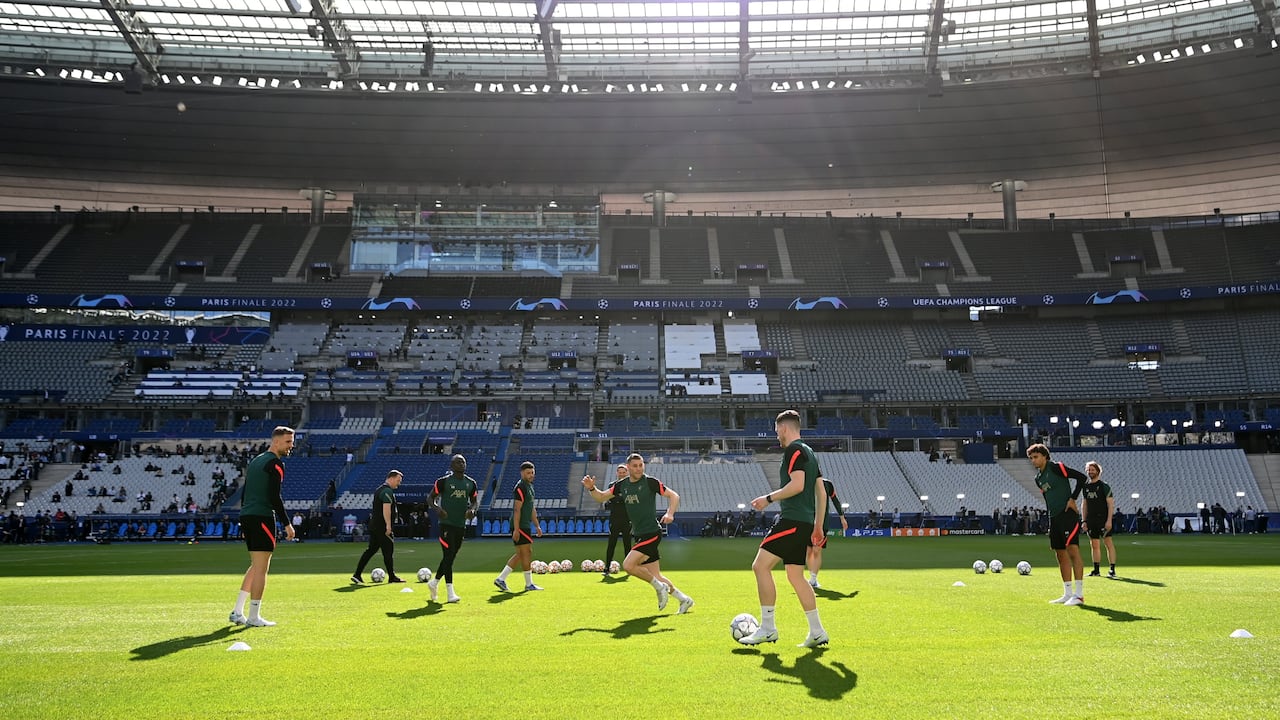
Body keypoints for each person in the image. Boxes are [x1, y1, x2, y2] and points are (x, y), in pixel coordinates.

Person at [739, 410, 829, 648]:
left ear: (784, 428)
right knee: (795, 576)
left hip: (792, 519)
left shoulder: (794, 450)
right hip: (805, 521)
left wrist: (768, 498)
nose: (776, 434)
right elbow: (821, 492)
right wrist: (817, 525)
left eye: (776, 429)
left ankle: (767, 628)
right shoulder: (810, 453)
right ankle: (817, 631)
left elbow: (798, 485)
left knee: (760, 566)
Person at [581, 453, 693, 614]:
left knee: (628, 565)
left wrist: (670, 513)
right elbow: (601, 497)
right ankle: (684, 599)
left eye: (641, 465)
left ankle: (659, 587)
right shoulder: (622, 485)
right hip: (640, 534)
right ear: (628, 468)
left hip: (652, 533)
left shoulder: (650, 482)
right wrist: (591, 487)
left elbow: (674, 495)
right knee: (656, 575)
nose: (639, 468)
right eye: (635, 466)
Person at [229, 426, 296, 627]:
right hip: (261, 516)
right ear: (275, 441)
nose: (291, 446)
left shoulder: (256, 461)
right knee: (262, 568)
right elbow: (275, 497)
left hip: (248, 515)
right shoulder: (275, 464)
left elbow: (245, 492)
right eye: (287, 442)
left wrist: (244, 516)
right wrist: (287, 524)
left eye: (292, 442)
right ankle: (253, 617)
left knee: (256, 565)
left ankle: (237, 612)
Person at [1026, 443, 1087, 606]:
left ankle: (1079, 595)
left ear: (1045, 456)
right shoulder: (1038, 479)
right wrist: (1050, 520)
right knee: (1060, 554)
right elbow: (1047, 499)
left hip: (1067, 515)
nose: (1033, 460)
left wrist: (1073, 498)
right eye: (1031, 458)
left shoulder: (1057, 468)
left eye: (1036, 457)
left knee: (1073, 550)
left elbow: (1082, 478)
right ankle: (1067, 593)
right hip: (1055, 518)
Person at [427, 454, 478, 603]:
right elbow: (430, 498)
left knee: (451, 556)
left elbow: (474, 501)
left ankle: (434, 582)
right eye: (458, 462)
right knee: (448, 556)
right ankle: (450, 593)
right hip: (446, 524)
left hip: (460, 525)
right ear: (451, 466)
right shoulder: (443, 482)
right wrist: (437, 509)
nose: (461, 464)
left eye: (463, 461)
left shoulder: (471, 483)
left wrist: (472, 510)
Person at [493, 461, 544, 592]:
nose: (531, 475)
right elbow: (517, 509)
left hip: (525, 525)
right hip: (520, 525)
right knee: (525, 553)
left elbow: (532, 508)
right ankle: (527, 584)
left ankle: (502, 579)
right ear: (522, 473)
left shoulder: (530, 487)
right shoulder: (520, 487)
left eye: (532, 472)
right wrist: (516, 529)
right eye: (528, 473)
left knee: (522, 553)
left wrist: (537, 525)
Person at [350, 470, 404, 584]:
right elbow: (386, 509)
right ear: (392, 478)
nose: (399, 484)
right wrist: (388, 526)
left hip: (374, 526)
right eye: (398, 481)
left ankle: (357, 574)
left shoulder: (379, 489)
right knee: (388, 551)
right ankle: (392, 576)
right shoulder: (387, 491)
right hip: (382, 527)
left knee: (371, 550)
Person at [807, 476, 849, 589]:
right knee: (809, 551)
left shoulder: (827, 484)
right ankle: (811, 578)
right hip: (807, 521)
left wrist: (842, 517)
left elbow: (835, 499)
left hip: (822, 522)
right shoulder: (805, 482)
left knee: (816, 550)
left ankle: (813, 579)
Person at [1080, 461, 1117, 578]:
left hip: (1103, 518)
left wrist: (1109, 520)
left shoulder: (1104, 486)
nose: (1090, 472)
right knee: (1094, 544)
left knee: (1108, 543)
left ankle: (1112, 569)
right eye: (1089, 470)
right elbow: (1084, 504)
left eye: (1093, 469)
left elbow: (1111, 504)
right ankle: (1096, 570)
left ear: (1098, 471)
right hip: (1091, 519)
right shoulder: (1085, 487)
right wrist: (1084, 520)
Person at [602, 463, 633, 576]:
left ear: (627, 473)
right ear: (617, 473)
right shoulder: (612, 485)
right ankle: (607, 568)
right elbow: (609, 500)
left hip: (627, 519)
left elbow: (627, 499)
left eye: (624, 472)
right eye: (620, 472)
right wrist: (618, 499)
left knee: (627, 544)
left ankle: (629, 568)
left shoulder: (631, 485)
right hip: (614, 519)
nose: (622, 474)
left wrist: (616, 498)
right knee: (611, 543)